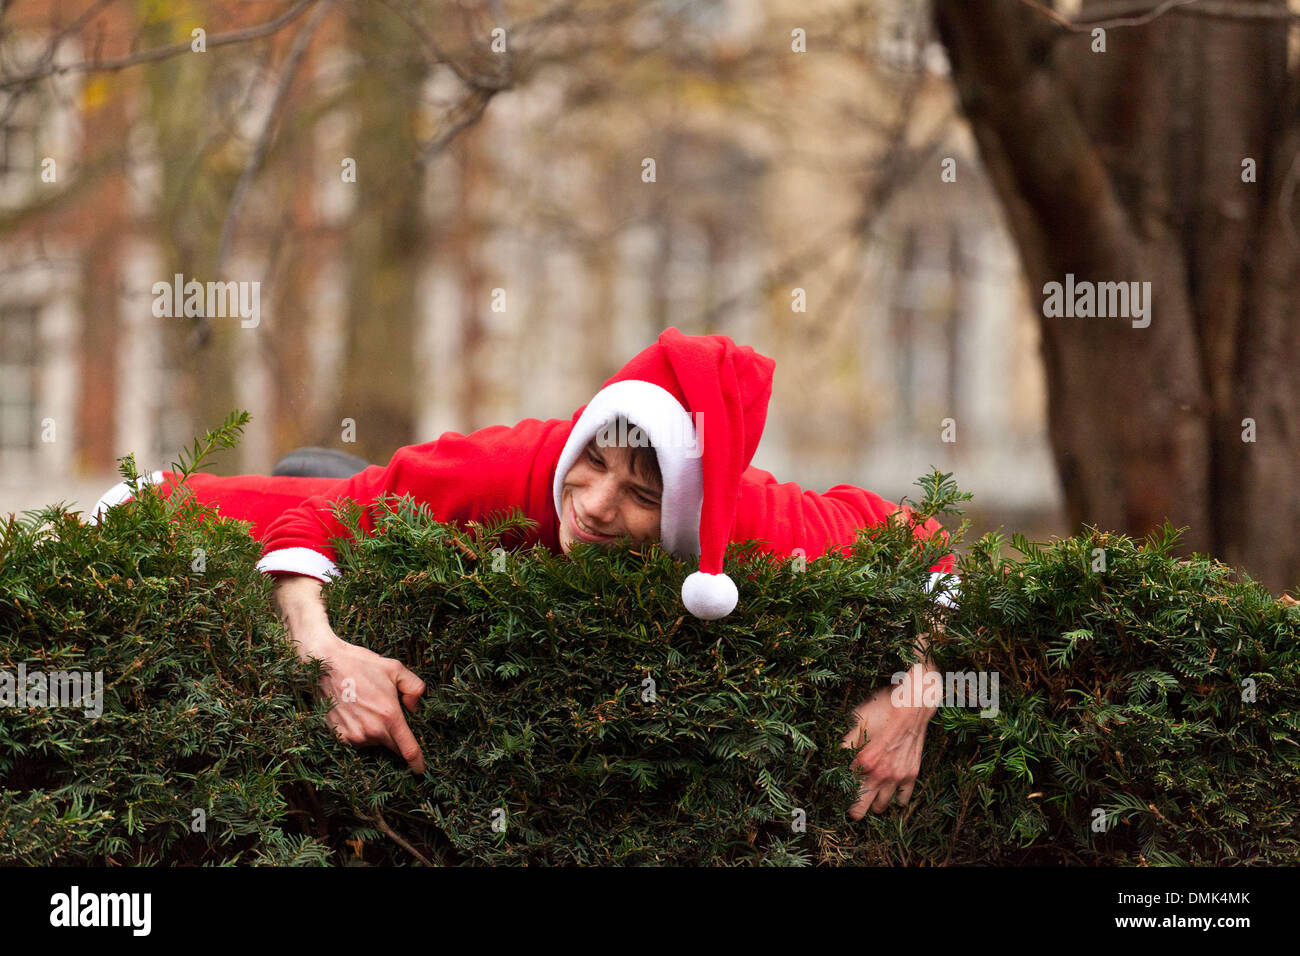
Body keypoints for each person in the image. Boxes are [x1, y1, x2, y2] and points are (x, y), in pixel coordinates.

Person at [90, 327, 957, 815]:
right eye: (597, 462)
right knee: (318, 482)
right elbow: (317, 519)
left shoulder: (761, 524)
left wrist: (916, 689)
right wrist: (323, 648)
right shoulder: (510, 465)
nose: (596, 504)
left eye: (643, 494)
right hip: (333, 496)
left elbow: (928, 548)